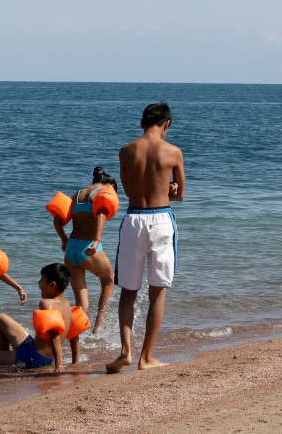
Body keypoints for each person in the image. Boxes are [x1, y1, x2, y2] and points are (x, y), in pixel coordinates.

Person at [106, 102, 185, 373]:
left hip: (134, 219)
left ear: (142, 123)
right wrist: (169, 187)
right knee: (157, 291)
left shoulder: (126, 151)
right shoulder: (174, 152)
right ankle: (146, 357)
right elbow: (180, 195)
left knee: (128, 291)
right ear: (167, 125)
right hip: (162, 219)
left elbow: (128, 190)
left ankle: (125, 353)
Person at [0, 263, 77, 371]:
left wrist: (59, 366)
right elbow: (74, 334)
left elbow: (54, 334)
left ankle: (7, 361)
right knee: (0, 319)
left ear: (52, 285)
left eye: (42, 280)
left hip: (33, 357)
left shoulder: (46, 304)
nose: (39, 283)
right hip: (41, 354)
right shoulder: (67, 304)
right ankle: (4, 360)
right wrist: (75, 362)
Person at [52, 167, 116, 335]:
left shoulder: (77, 195)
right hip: (88, 247)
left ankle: (70, 335)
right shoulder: (103, 192)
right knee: (109, 281)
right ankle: (97, 330)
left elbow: (57, 221)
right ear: (109, 185)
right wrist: (96, 241)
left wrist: (64, 240)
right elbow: (101, 212)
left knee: (82, 305)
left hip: (71, 249)